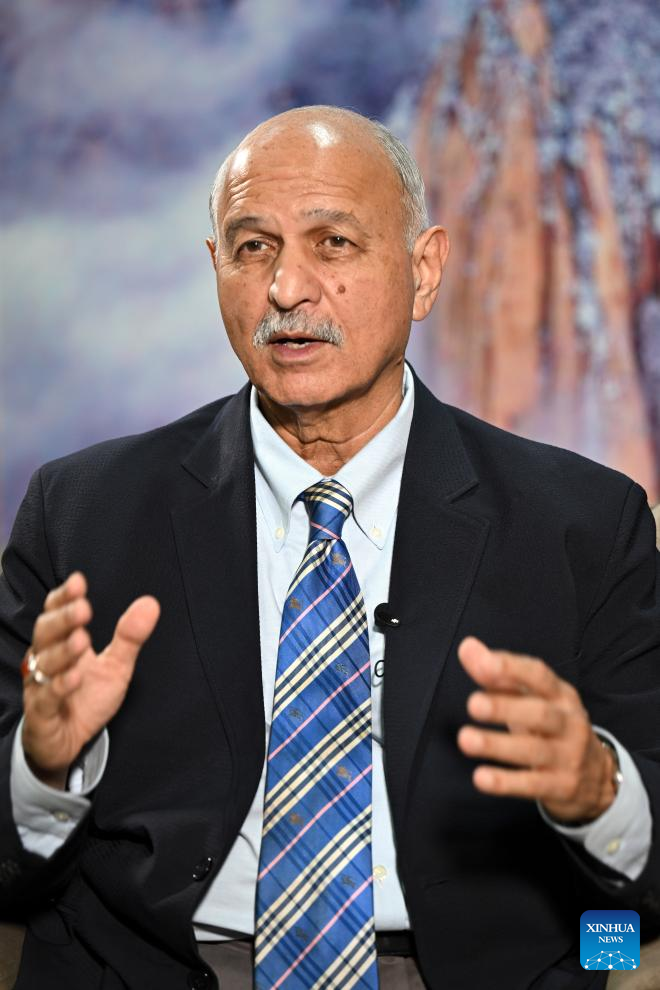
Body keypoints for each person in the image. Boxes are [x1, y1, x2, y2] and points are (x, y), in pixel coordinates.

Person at [0, 105, 659, 990]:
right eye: (253, 248)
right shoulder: (84, 512)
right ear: (216, 269)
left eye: (334, 243)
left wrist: (596, 792)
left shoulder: (583, 523)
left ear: (424, 271)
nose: (286, 289)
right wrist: (44, 768)